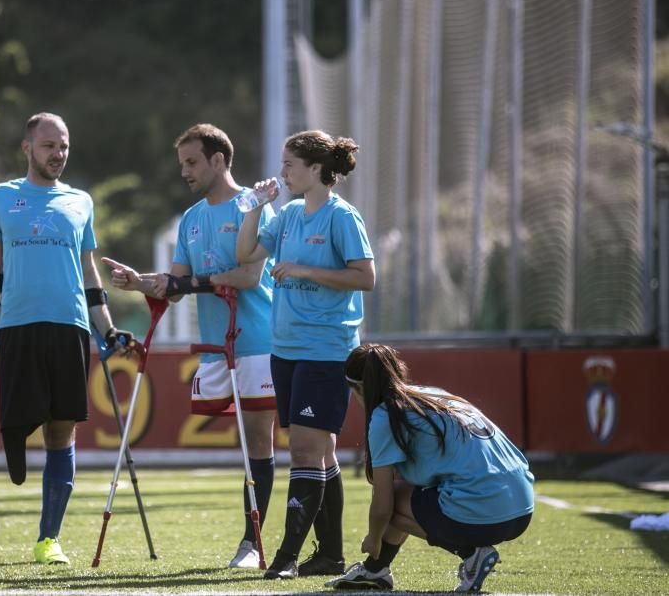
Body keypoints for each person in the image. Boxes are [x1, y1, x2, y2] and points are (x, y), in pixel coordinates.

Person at [103, 122, 284, 571]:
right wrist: (137, 282)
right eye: (182, 162)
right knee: (243, 443)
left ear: (219, 160)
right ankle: (254, 537)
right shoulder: (190, 219)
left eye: (191, 162)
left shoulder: (257, 207)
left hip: (259, 340)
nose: (184, 171)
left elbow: (249, 278)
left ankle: (251, 543)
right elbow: (176, 286)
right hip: (216, 347)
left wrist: (195, 282)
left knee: (258, 442)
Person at [0, 112, 133, 566]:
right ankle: (16, 449)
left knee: (62, 428)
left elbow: (89, 272)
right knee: (23, 420)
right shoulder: (2, 196)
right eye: (48, 146)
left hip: (70, 325)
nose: (57, 154)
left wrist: (108, 327)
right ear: (27, 148)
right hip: (18, 325)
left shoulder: (80, 201)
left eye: (63, 146)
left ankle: (48, 538)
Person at [236, 130, 375, 579]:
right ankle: (331, 555)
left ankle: (286, 557)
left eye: (290, 164)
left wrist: (303, 269)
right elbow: (245, 254)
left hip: (326, 350)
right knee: (323, 453)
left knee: (302, 451)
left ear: (316, 170)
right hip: (287, 351)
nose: (282, 171)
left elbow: (366, 277)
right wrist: (256, 206)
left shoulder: (341, 217)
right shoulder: (291, 213)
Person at [330, 344, 534, 593]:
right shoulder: (432, 393)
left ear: (359, 388)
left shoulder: (385, 415)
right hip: (523, 508)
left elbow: (383, 503)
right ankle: (375, 570)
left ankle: (471, 554)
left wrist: (373, 538)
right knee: (409, 492)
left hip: (487, 511)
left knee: (393, 498)